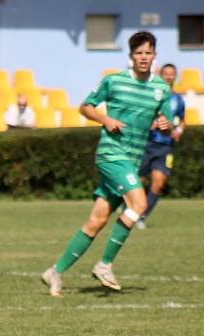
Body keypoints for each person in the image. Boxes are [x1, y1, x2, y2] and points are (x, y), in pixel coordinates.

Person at [41, 31, 174, 297]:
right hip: (112, 155)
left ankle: (54, 272)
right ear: (131, 56)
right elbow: (85, 107)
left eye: (148, 53)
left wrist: (166, 125)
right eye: (139, 53)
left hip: (132, 161)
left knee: (97, 221)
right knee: (140, 204)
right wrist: (106, 120)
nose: (144, 58)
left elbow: (168, 126)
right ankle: (105, 264)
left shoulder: (162, 89)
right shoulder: (113, 81)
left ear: (154, 56)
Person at [136, 63, 186, 229]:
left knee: (159, 183)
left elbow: (182, 120)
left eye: (172, 74)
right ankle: (129, 208)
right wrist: (150, 122)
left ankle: (141, 216)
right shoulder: (152, 95)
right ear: (161, 76)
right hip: (147, 143)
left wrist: (179, 130)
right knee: (137, 182)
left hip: (166, 147)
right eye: (166, 74)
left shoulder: (178, 99)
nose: (169, 77)